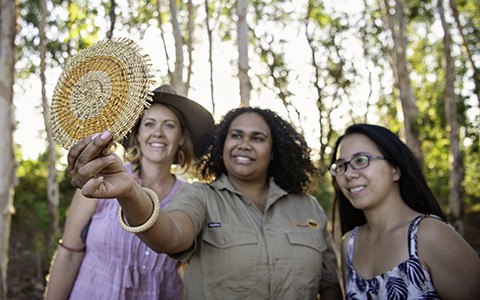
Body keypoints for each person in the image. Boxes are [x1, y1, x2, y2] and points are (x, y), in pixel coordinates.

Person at [64, 106, 343, 299]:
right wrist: (130, 193)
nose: (245, 144)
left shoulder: (308, 208)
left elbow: (329, 285)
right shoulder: (200, 197)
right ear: (221, 147)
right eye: (236, 135)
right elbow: (170, 235)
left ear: (274, 152)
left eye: (257, 138)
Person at [44, 85, 214, 299]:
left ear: (181, 137)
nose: (158, 132)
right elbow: (69, 253)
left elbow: (190, 272)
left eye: (169, 125)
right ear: (138, 134)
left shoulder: (191, 196)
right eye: (149, 124)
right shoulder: (103, 175)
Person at [329, 123, 480, 300]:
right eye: (341, 166)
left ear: (395, 170)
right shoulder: (349, 244)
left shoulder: (430, 235)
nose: (348, 174)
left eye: (361, 160)